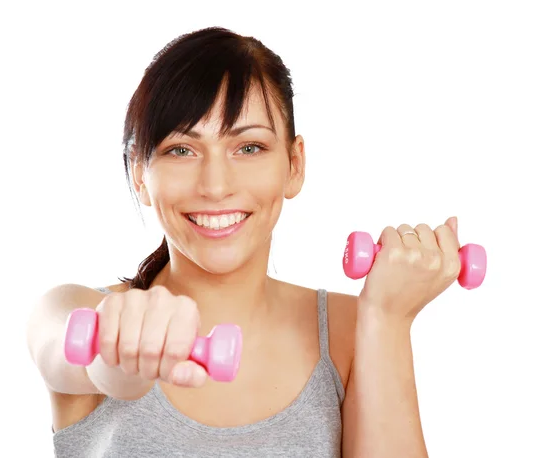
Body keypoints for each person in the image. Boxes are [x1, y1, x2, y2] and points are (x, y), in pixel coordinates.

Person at [27, 26, 463, 457]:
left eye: (249, 147)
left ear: (294, 165)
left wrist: (387, 319)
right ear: (140, 175)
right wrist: (118, 360)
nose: (216, 186)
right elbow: (69, 351)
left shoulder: (351, 331)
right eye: (182, 150)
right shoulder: (73, 311)